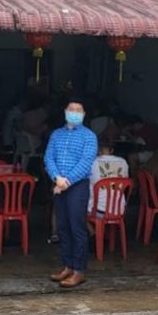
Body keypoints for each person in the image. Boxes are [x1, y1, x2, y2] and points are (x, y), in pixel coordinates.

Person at [44, 99, 98, 289]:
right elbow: (48, 157)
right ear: (65, 112)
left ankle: (79, 271)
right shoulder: (56, 135)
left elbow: (86, 162)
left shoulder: (89, 136)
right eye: (71, 109)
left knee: (77, 228)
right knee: (62, 227)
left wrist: (66, 182)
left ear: (83, 115)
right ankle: (67, 266)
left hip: (76, 186)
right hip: (58, 184)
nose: (74, 113)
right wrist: (56, 177)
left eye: (79, 110)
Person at [88, 139, 129, 215]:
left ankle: (97, 227)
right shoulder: (123, 162)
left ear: (97, 150)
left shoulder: (92, 162)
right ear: (112, 150)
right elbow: (125, 181)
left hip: (97, 210)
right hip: (119, 210)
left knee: (78, 209)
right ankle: (106, 226)